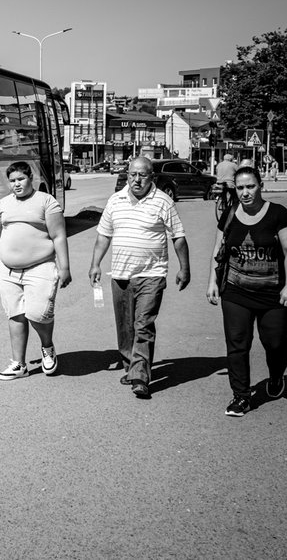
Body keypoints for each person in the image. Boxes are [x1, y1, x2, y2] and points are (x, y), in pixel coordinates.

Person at [88, 156, 190, 398]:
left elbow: (178, 237)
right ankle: (131, 366)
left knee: (143, 325)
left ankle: (140, 377)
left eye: (142, 175)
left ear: (151, 177)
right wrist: (95, 264)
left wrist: (184, 268)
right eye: (132, 174)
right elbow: (104, 235)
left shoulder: (163, 201)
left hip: (151, 274)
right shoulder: (115, 200)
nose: (136, 179)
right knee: (125, 328)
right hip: (120, 274)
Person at [206, 166, 287, 417]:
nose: (245, 193)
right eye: (240, 188)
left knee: (275, 342)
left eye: (250, 186)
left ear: (261, 186)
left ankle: (276, 375)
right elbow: (218, 251)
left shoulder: (278, 214)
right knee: (237, 344)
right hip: (235, 292)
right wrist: (212, 281)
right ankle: (241, 396)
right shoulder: (229, 214)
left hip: (273, 294)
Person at [0, 161, 71, 380]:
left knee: (38, 314)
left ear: (31, 178)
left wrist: (65, 267)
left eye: (21, 179)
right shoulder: (3, 204)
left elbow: (58, 236)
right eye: (12, 181)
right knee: (15, 315)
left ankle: (47, 347)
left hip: (40, 267)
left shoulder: (46, 201)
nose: (16, 184)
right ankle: (19, 364)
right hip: (7, 271)